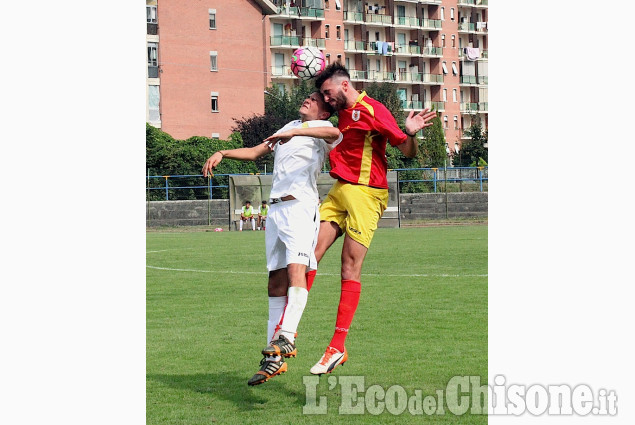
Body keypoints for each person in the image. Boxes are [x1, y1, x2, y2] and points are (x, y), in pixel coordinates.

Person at [201, 91, 341, 385]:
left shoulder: (320, 132)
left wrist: (296, 132)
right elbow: (254, 152)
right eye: (308, 96)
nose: (308, 99)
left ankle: (287, 335)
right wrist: (223, 153)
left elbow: (335, 132)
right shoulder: (287, 127)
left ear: (324, 112)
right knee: (275, 283)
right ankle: (273, 359)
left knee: (296, 270)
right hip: (276, 210)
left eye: (315, 99)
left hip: (300, 207)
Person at [307, 63, 438, 375]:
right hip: (340, 190)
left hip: (367, 194)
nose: (327, 100)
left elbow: (406, 151)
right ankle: (286, 331)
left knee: (348, 267)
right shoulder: (337, 112)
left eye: (329, 93)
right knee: (308, 255)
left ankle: (337, 347)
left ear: (344, 86)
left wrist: (410, 133)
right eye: (323, 95)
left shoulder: (374, 110)